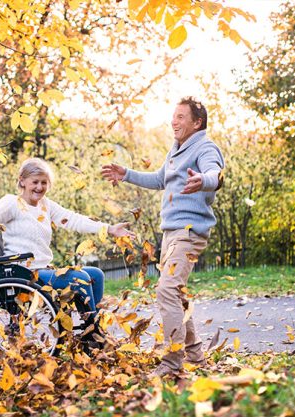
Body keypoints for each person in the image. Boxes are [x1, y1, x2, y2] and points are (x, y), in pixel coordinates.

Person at [101, 97, 224, 376]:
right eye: (173, 116)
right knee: (176, 294)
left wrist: (204, 180)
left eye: (181, 117)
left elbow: (215, 173)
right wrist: (127, 174)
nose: (174, 121)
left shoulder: (205, 147)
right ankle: (195, 356)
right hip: (172, 232)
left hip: (189, 231)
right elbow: (160, 180)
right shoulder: (177, 148)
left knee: (167, 290)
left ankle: (172, 363)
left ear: (197, 122)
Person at [0, 157, 135, 316]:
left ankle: (88, 323)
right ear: (22, 181)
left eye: (44, 182)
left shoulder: (45, 205)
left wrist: (109, 229)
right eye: (35, 182)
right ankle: (91, 330)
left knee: (96, 274)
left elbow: (73, 219)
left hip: (43, 270)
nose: (40, 187)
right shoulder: (13, 203)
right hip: (26, 273)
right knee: (80, 278)